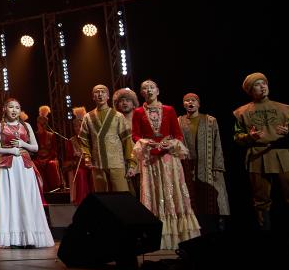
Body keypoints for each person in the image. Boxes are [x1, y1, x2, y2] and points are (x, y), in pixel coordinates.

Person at [233, 73, 289, 246]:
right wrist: (249, 137)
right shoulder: (242, 112)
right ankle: (266, 240)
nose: (262, 87)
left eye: (264, 83)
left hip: (283, 154)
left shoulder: (283, 109)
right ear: (250, 90)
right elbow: (237, 137)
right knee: (261, 199)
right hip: (258, 155)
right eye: (257, 84)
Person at [131, 80, 200, 249]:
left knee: (172, 190)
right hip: (150, 158)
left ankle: (178, 234)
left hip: (168, 157)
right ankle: (156, 235)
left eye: (151, 87)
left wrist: (170, 144)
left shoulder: (169, 110)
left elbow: (178, 134)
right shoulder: (138, 112)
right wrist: (146, 143)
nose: (149, 90)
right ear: (142, 93)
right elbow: (135, 135)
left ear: (158, 90)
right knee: (153, 191)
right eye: (145, 88)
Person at [0, 98, 54, 248]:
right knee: (11, 199)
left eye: (17, 108)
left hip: (25, 167)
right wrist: (10, 150)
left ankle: (30, 237)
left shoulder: (26, 126)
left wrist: (22, 144)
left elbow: (35, 147)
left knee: (26, 198)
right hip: (8, 167)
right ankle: (14, 239)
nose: (14, 110)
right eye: (11, 107)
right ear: (4, 109)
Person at [178, 93, 229, 228]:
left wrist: (218, 166)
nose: (190, 102)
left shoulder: (210, 120)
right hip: (187, 165)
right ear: (183, 104)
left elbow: (217, 143)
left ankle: (216, 225)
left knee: (212, 195)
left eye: (193, 100)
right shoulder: (179, 121)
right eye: (187, 100)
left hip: (208, 165)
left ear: (198, 104)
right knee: (192, 197)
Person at [77, 85, 135, 193]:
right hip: (97, 164)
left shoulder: (118, 116)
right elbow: (84, 140)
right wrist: (87, 157)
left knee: (121, 195)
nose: (100, 94)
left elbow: (127, 141)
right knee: (102, 197)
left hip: (116, 163)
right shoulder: (87, 117)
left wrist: (132, 164)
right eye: (97, 92)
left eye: (103, 92)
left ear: (108, 96)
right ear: (93, 97)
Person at [33, 106, 63, 192]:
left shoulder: (51, 135)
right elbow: (33, 151)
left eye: (44, 124)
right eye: (41, 124)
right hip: (38, 159)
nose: (42, 126)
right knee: (35, 164)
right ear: (37, 124)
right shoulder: (34, 136)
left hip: (49, 158)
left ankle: (55, 188)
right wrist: (39, 159)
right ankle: (41, 189)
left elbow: (54, 150)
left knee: (51, 164)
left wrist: (47, 159)